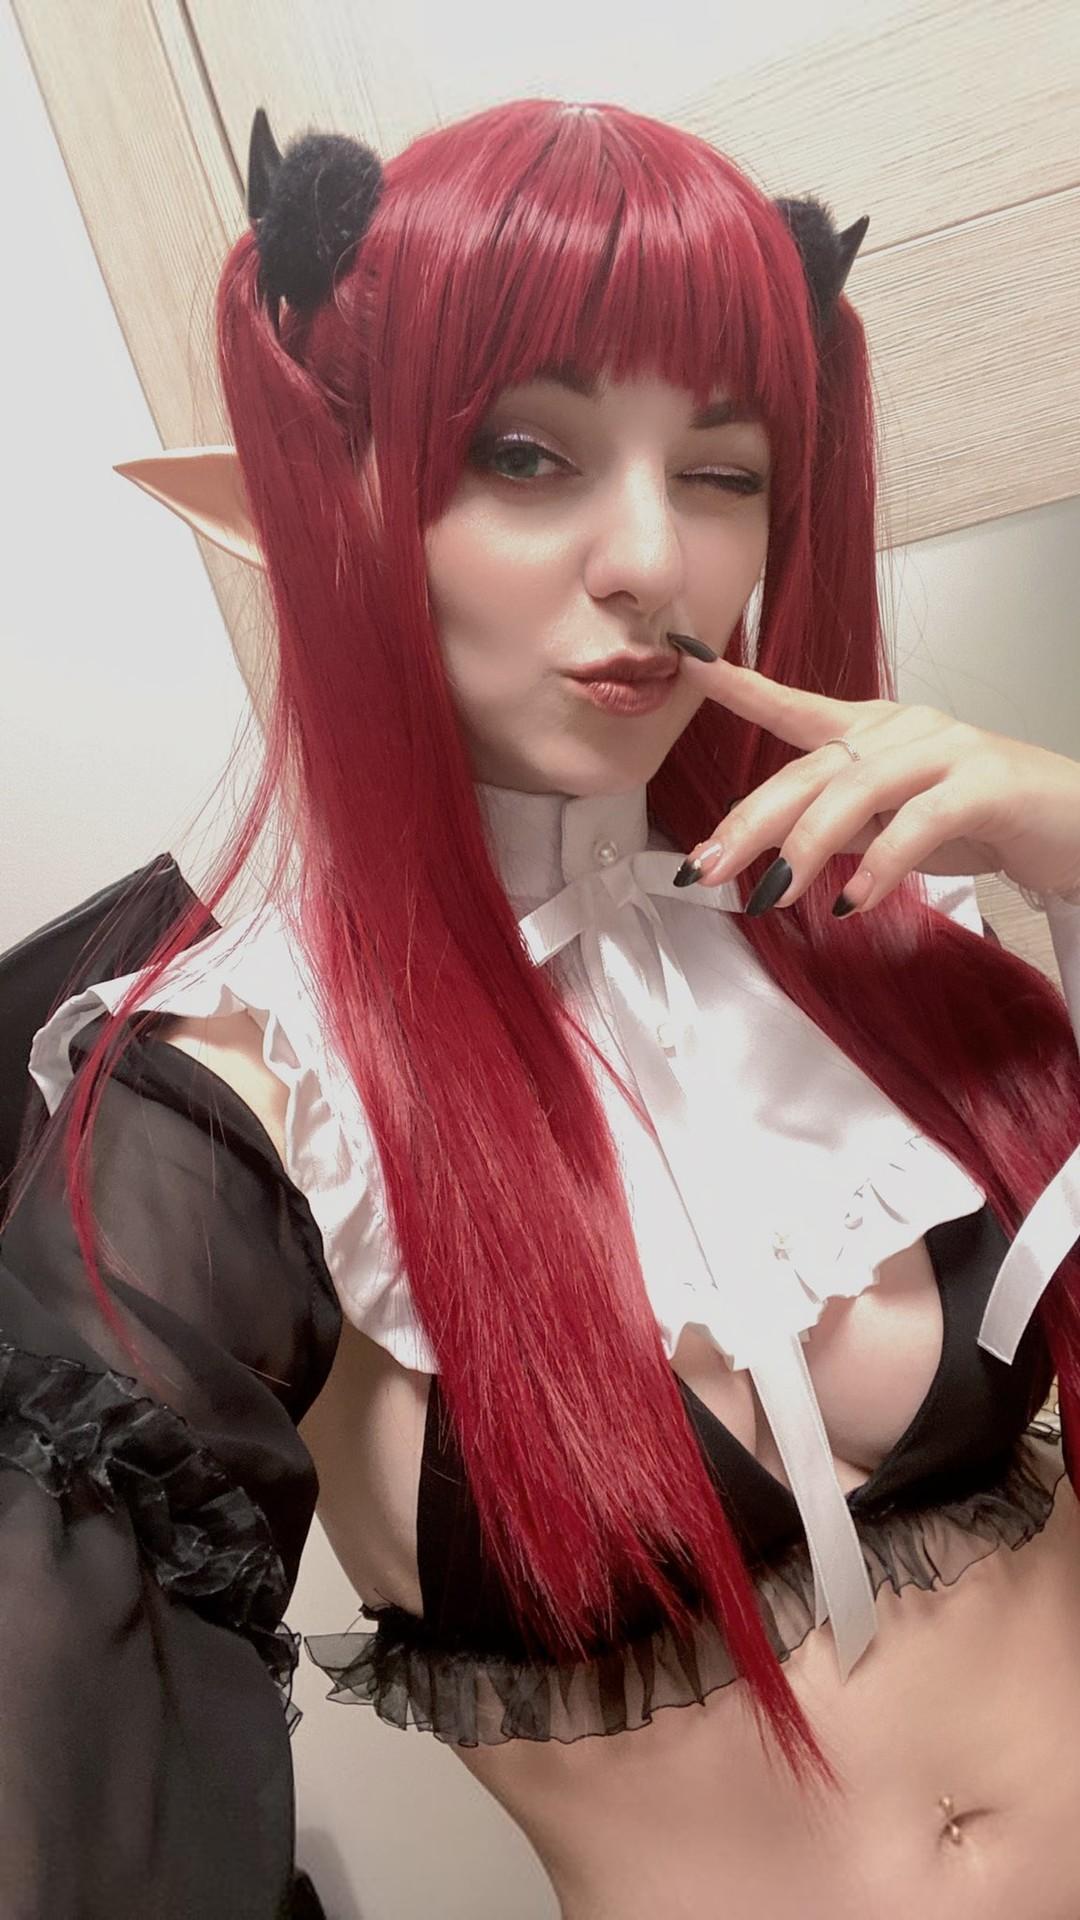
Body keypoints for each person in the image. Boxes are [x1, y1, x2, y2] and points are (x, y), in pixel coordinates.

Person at [3, 95, 1080, 1918]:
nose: (653, 557)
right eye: (525, 454)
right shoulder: (244, 1100)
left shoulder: (884, 937)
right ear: (341, 490)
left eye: (722, 469)